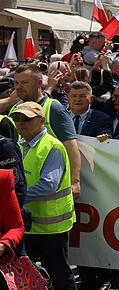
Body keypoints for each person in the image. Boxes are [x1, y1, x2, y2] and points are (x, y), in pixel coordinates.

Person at [13, 102, 77, 290]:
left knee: (59, 274)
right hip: (29, 225)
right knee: (28, 275)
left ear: (41, 121)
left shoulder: (52, 146)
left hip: (51, 228)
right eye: (17, 118)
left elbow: (48, 186)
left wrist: (15, 197)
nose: (20, 123)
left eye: (26, 119)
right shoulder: (19, 144)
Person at [9, 64, 81, 199]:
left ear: (39, 83)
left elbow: (71, 147)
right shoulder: (15, 109)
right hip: (26, 185)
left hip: (50, 188)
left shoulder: (54, 108)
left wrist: (75, 181)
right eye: (16, 83)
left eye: (24, 82)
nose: (19, 87)